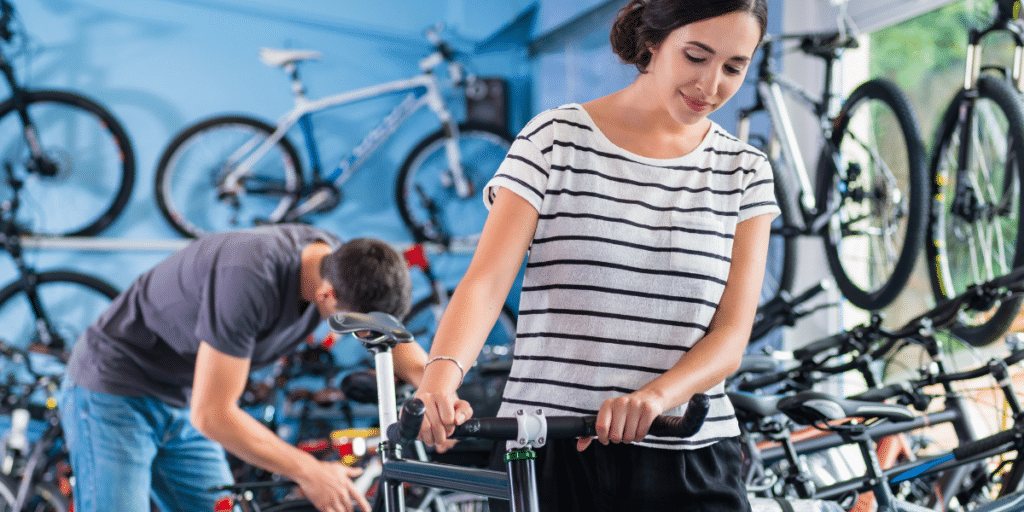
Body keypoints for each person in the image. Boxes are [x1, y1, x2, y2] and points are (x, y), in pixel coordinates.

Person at [412, 0, 774, 510]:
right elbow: (486, 283)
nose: (711, 84)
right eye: (696, 56)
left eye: (734, 67)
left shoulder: (745, 171)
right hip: (549, 451)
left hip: (689, 453)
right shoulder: (554, 139)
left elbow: (731, 336)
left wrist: (655, 399)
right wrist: (441, 376)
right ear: (653, 42)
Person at [59, 224, 425, 512]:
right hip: (114, 389)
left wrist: (436, 393)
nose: (361, 338)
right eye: (357, 329)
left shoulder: (345, 266)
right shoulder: (250, 277)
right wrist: (310, 471)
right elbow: (213, 414)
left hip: (180, 397)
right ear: (327, 296)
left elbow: (393, 339)